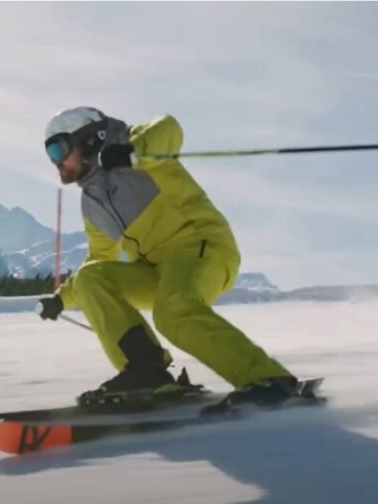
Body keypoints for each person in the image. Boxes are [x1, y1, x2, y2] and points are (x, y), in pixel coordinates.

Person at [37, 106, 297, 405]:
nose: (56, 162)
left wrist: (133, 151)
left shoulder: (139, 149)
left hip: (202, 249)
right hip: (157, 272)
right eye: (50, 155)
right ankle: (147, 371)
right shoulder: (92, 200)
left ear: (89, 138)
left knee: (172, 312)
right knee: (90, 279)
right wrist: (61, 299)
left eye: (58, 149)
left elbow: (170, 129)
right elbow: (98, 259)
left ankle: (267, 379)